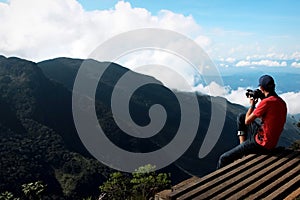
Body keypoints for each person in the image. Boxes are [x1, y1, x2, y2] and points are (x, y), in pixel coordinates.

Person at [217, 75, 287, 169]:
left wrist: (252, 105)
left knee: (224, 158)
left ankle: (220, 179)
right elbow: (269, 115)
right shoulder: (281, 102)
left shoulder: (266, 102)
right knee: (241, 116)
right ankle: (243, 146)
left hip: (261, 143)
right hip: (271, 140)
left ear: (261, 88)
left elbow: (247, 121)